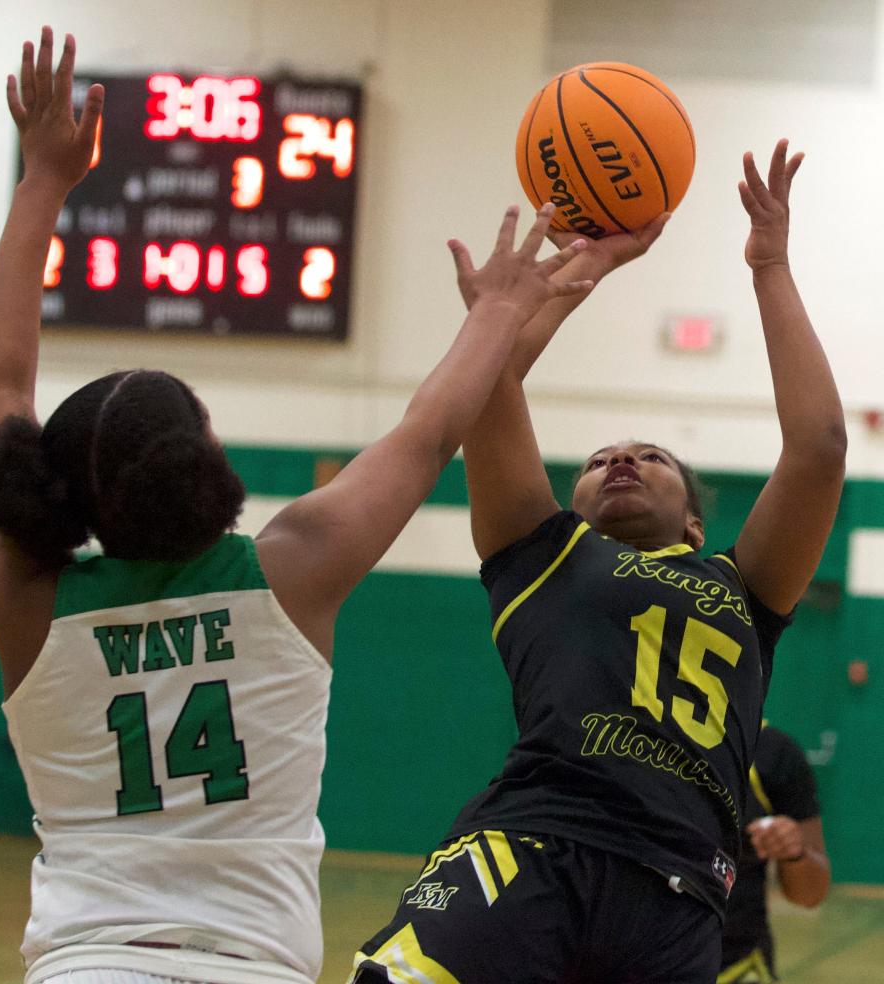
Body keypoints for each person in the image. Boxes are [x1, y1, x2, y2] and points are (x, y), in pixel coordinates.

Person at [0, 27, 597, 984]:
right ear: (206, 467)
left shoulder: (28, 598)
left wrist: (42, 180)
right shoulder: (291, 566)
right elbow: (430, 435)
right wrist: (498, 313)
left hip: (85, 967)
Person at [350, 140, 846, 984]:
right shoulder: (537, 554)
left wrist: (770, 265)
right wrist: (590, 265)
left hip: (682, 894)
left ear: (693, 524)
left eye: (649, 456)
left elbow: (821, 449)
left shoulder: (745, 585)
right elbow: (492, 379)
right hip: (529, 852)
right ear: (568, 503)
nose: (619, 461)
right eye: (597, 460)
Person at [719, 723, 830, 984]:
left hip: (737, 964)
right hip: (643, 959)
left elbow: (811, 894)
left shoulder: (772, 750)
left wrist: (794, 851)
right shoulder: (631, 736)